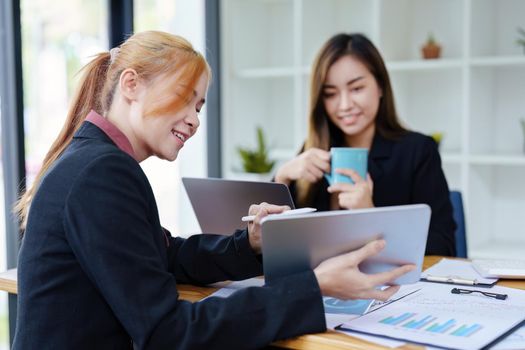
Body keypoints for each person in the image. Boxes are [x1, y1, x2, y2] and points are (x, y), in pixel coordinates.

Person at [12, 31, 414, 349]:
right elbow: (168, 333)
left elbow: (168, 255)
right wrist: (315, 286)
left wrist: (253, 244)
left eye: (199, 107)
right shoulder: (102, 172)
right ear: (131, 84)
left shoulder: (94, 161)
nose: (194, 120)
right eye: (185, 100)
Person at [275, 33, 456, 257]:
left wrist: (370, 215)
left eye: (357, 89)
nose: (344, 105)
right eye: (330, 94)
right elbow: (275, 243)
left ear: (380, 87)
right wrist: (282, 177)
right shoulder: (314, 150)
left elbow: (444, 244)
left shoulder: (418, 151)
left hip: (390, 287)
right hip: (322, 286)